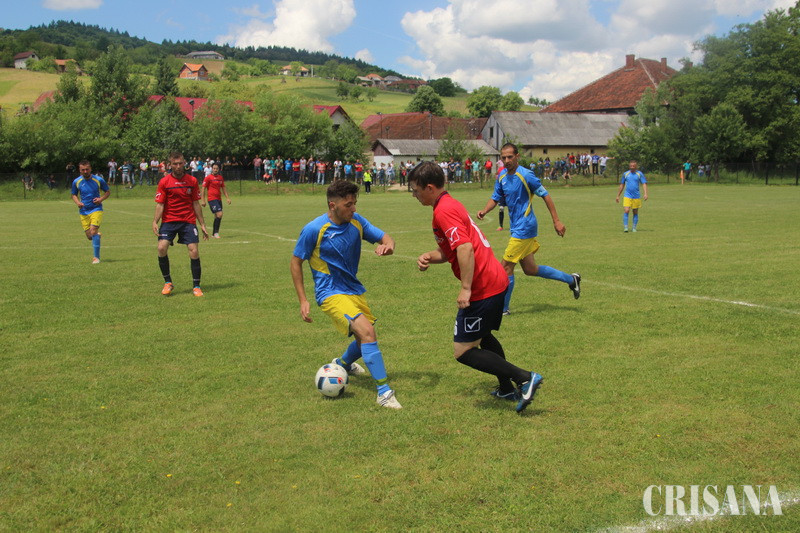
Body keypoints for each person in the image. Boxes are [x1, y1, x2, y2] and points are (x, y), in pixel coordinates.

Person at [408, 162, 543, 413]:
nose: (414, 195)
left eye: (415, 190)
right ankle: (506, 387)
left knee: (463, 351)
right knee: (484, 336)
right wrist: (429, 256)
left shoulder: (444, 211)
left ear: (430, 187)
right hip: (495, 279)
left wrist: (466, 288)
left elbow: (465, 248)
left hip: (483, 286)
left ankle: (525, 378)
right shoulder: (449, 203)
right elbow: (452, 249)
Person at [290, 180, 401, 409]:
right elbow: (295, 262)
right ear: (333, 205)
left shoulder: (357, 222)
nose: (354, 209)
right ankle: (384, 393)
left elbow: (386, 237)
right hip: (330, 292)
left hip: (353, 290)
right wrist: (303, 299)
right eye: (348, 205)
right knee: (367, 332)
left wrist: (388, 246)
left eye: (354, 203)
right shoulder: (314, 229)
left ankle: (343, 364)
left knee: (363, 340)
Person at [477, 143, 580, 315]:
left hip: (525, 227)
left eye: (510, 157)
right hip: (517, 227)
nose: (507, 160)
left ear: (517, 156)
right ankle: (571, 279)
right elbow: (495, 198)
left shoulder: (526, 175)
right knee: (531, 269)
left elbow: (545, 195)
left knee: (505, 267)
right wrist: (485, 210)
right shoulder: (502, 175)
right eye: (504, 157)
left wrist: (556, 221)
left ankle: (503, 309)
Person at [153, 152, 208, 297]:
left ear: (184, 164)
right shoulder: (164, 182)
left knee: (194, 251)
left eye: (180, 163)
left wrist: (202, 224)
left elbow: (196, 203)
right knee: (161, 248)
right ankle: (168, 282)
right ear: (170, 165)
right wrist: (155, 221)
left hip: (187, 221)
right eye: (175, 164)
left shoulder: (192, 181)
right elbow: (160, 204)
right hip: (169, 221)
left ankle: (196, 286)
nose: (178, 166)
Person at [71, 160, 110, 264]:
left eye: (87, 169)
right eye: (83, 170)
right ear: (79, 170)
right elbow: (74, 194)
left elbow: (107, 192)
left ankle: (96, 258)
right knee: (90, 236)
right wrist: (78, 202)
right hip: (83, 211)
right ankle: (97, 235)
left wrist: (100, 199)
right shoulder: (76, 181)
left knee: (93, 231)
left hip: (96, 209)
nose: (85, 171)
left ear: (90, 169)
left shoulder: (98, 180)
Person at [616, 160, 648, 232]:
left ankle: (634, 228)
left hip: (636, 196)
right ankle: (626, 228)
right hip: (627, 195)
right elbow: (622, 185)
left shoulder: (639, 174)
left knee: (635, 212)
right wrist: (618, 195)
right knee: (626, 210)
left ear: (636, 166)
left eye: (633, 166)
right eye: (631, 166)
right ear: (629, 166)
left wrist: (645, 193)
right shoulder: (626, 174)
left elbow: (644, 184)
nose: (632, 167)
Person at [202, 163, 231, 239]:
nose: (215, 170)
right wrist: (203, 200)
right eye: (214, 168)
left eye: (217, 168)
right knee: (220, 214)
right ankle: (216, 233)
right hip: (212, 199)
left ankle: (214, 233)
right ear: (212, 169)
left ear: (219, 169)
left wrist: (227, 198)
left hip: (219, 199)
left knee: (217, 216)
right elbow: (203, 189)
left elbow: (223, 188)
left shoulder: (220, 178)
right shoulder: (208, 178)